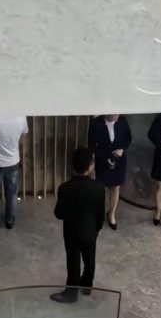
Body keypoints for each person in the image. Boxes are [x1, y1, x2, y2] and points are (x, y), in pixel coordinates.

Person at [51, 146, 105, 303]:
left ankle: (71, 293)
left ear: (72, 166)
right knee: (90, 259)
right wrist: (96, 229)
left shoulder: (64, 188)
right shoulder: (98, 188)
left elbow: (59, 214)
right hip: (90, 231)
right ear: (90, 167)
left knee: (73, 262)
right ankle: (87, 287)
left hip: (72, 232)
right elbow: (100, 214)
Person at [88, 113, 132, 230]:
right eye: (114, 113)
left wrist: (122, 150)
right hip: (103, 160)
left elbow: (128, 139)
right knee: (100, 188)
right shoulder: (96, 123)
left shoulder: (122, 121)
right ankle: (99, 213)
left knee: (116, 187)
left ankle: (112, 214)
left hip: (119, 160)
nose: (116, 115)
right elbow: (91, 146)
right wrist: (105, 156)